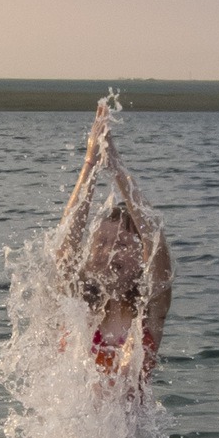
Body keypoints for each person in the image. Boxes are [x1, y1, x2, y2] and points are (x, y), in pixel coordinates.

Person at [56, 102, 172, 383]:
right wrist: (90, 164)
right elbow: (64, 249)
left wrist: (116, 165)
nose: (108, 253)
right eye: (101, 244)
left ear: (142, 257)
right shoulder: (78, 305)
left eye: (120, 244)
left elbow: (156, 241)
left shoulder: (148, 312)